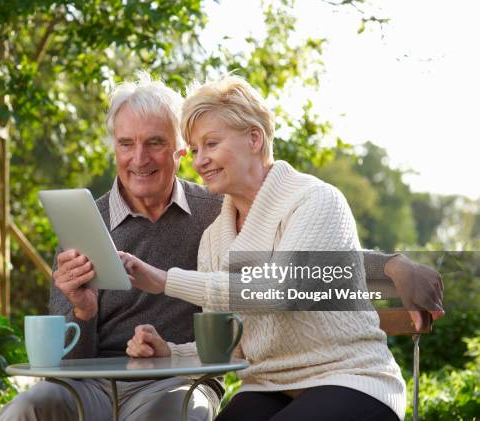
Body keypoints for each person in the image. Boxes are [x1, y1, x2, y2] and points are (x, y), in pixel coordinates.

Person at [0, 73, 443, 421]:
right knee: (24, 410)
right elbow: (227, 339)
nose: (139, 158)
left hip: (307, 378)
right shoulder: (204, 228)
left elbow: (295, 275)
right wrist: (92, 314)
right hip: (235, 381)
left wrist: (393, 265)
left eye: (157, 143)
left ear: (177, 153)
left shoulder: (226, 206)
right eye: (126, 144)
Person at [119, 75, 430, 421]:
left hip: (350, 378)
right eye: (194, 150)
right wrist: (169, 353)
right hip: (268, 386)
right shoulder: (214, 237)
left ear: (254, 138)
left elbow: (281, 289)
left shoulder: (315, 201)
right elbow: (227, 345)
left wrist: (165, 280)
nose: (200, 160)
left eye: (211, 143)